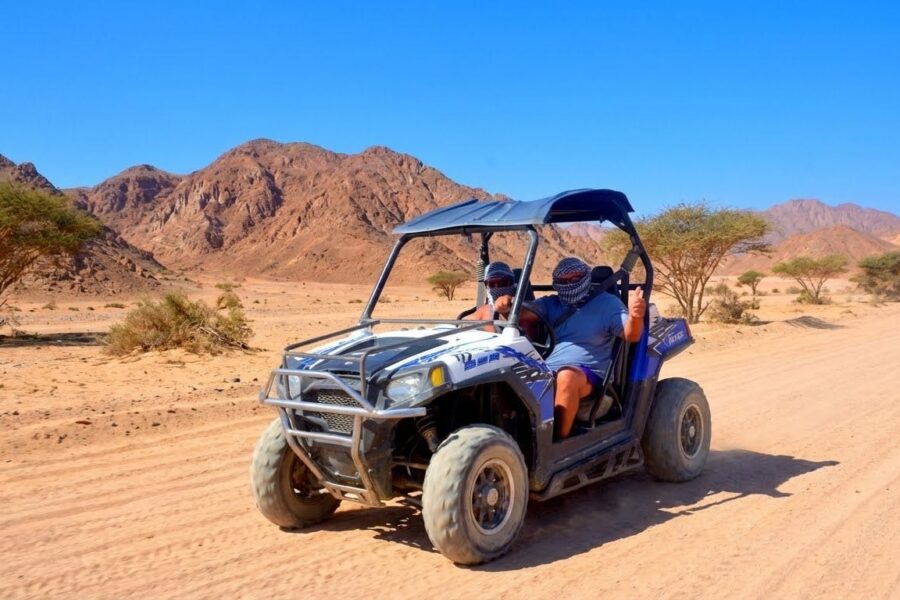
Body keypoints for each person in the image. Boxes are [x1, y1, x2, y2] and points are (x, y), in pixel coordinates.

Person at [495, 257, 646, 438]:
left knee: (566, 377)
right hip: (549, 370)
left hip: (589, 375)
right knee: (505, 371)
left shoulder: (607, 303)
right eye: (563, 282)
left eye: (575, 279)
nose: (570, 285)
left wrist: (635, 316)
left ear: (586, 277)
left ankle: (557, 443)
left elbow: (631, 335)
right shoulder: (552, 303)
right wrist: (506, 307)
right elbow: (524, 314)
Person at [470, 261, 518, 330]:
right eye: (492, 284)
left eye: (502, 283)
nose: (496, 287)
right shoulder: (483, 311)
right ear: (487, 286)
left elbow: (504, 302)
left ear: (512, 283)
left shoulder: (525, 308)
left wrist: (508, 302)